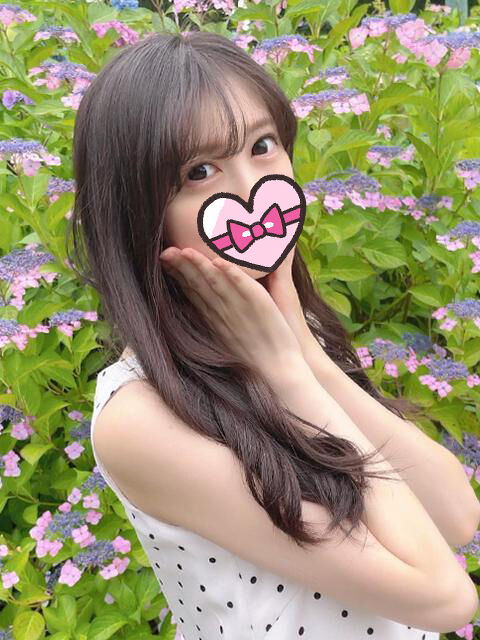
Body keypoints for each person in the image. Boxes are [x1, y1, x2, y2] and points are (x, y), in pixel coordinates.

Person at [66, 30, 471, 639]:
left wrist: (305, 355)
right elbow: (444, 597)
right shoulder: (140, 419)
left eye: (263, 145)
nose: (250, 191)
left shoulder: (286, 337)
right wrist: (287, 371)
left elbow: (457, 515)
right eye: (200, 171)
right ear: (137, 211)